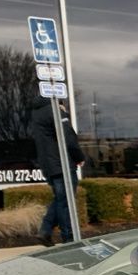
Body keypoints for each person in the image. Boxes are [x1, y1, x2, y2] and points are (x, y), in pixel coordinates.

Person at [28, 96, 85, 246]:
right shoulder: (56, 112)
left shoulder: (37, 115)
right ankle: (69, 238)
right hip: (62, 164)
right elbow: (69, 139)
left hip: (49, 166)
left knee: (61, 200)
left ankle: (45, 231)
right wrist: (79, 156)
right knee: (66, 202)